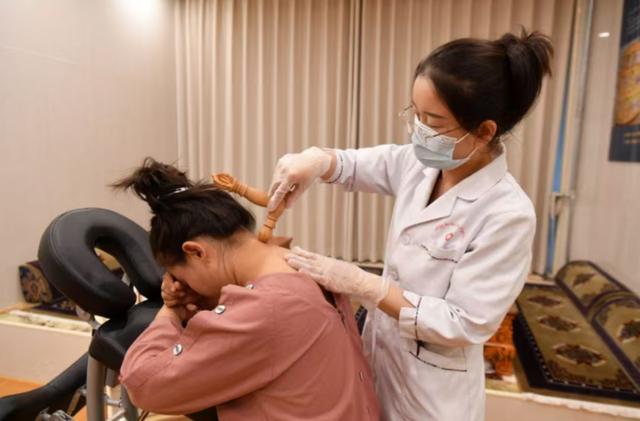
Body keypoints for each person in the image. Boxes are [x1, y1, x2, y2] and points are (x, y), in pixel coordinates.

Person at [268, 29, 553, 421]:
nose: (419, 129)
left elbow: (464, 323)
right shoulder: (419, 164)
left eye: (432, 121)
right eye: (415, 113)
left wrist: (366, 286)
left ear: (485, 131)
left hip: (433, 393)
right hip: (380, 358)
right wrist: (315, 161)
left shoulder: (507, 213)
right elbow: (353, 165)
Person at [115, 158, 380, 421]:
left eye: (180, 277)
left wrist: (171, 311)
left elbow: (142, 384)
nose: (183, 287)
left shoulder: (265, 309)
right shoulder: (303, 266)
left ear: (196, 252)